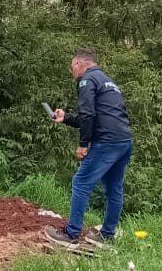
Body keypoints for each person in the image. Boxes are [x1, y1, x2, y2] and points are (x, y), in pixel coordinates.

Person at [45, 50, 134, 248]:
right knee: (114, 188)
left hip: (107, 143)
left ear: (78, 64)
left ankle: (71, 234)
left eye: (72, 68)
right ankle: (107, 236)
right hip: (124, 141)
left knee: (81, 182)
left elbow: (88, 115)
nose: (72, 73)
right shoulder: (107, 81)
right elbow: (97, 116)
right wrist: (66, 118)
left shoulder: (87, 80)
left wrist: (83, 144)